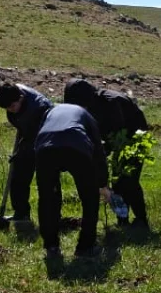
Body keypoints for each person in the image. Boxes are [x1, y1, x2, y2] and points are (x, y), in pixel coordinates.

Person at [63, 78, 151, 228]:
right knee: (117, 183)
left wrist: (102, 152)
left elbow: (117, 133)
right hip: (117, 140)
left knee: (129, 180)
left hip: (134, 140)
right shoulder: (89, 107)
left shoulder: (111, 103)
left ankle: (141, 220)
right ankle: (122, 220)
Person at [33, 103, 111, 259]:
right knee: (90, 198)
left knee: (48, 198)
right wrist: (102, 184)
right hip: (76, 147)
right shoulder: (87, 116)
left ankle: (51, 247)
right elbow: (98, 151)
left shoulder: (50, 111)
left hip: (45, 149)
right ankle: (85, 247)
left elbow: (39, 132)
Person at [0, 83, 54, 223]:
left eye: (12, 107)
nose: (11, 111)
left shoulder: (40, 108)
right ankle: (21, 215)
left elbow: (36, 136)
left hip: (47, 137)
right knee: (18, 175)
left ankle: (52, 217)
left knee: (46, 180)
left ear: (21, 99)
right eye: (7, 108)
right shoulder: (11, 95)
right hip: (28, 133)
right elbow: (21, 125)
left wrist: (24, 150)